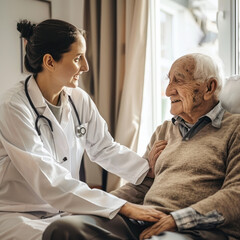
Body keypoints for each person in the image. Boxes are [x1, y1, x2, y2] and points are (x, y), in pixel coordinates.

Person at [44, 53, 240, 240]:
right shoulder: (165, 130)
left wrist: (176, 220)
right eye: (168, 80)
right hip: (143, 219)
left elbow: (236, 192)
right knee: (64, 229)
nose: (168, 91)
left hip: (196, 229)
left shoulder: (235, 129)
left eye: (178, 81)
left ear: (209, 88)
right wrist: (99, 205)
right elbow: (142, 186)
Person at [0, 19, 163, 240]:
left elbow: (104, 147)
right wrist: (122, 205)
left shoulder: (78, 99)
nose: (86, 66)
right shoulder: (13, 106)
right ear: (49, 61)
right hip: (18, 214)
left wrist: (146, 169)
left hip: (63, 211)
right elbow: (48, 179)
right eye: (78, 58)